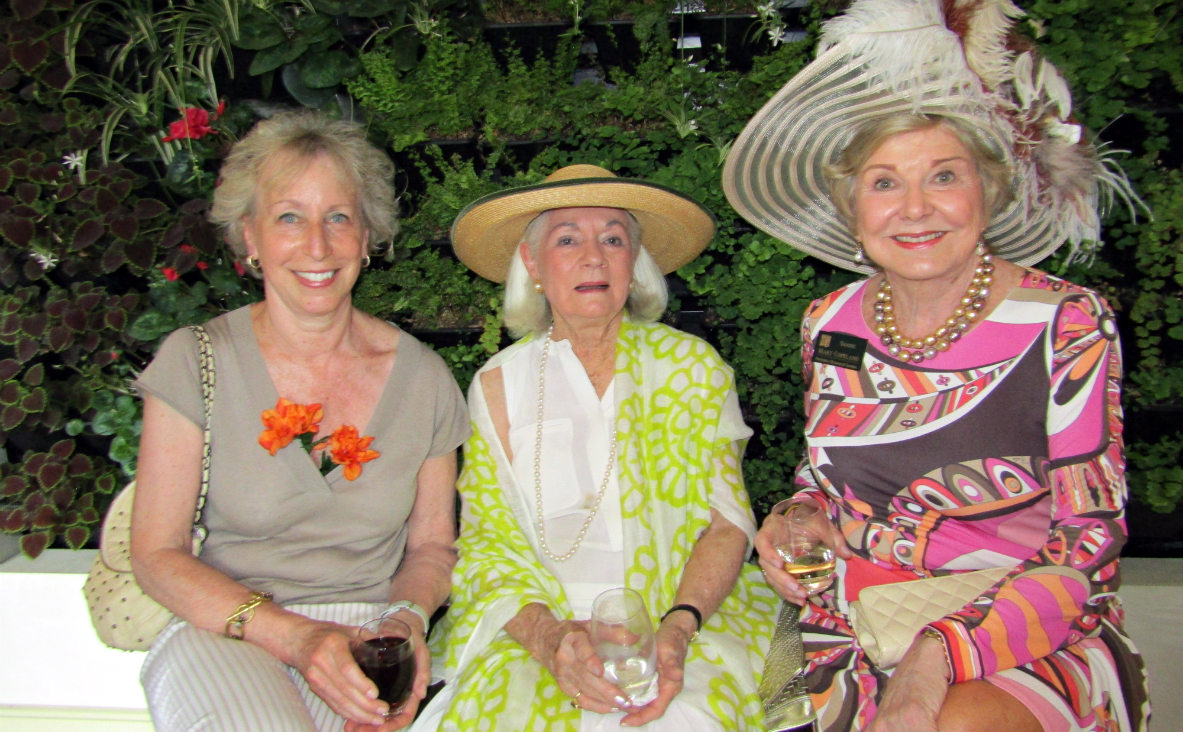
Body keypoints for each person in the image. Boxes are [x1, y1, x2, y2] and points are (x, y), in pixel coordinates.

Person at [722, 1, 1150, 731]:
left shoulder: (1066, 321)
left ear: (988, 190)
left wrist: (935, 657)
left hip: (1022, 623)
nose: (914, 208)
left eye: (943, 175)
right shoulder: (828, 321)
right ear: (851, 205)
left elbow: (1088, 540)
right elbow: (823, 480)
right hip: (852, 614)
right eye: (884, 181)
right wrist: (795, 515)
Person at [131, 111, 470, 732]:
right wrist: (295, 636)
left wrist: (405, 622)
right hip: (230, 630)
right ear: (249, 236)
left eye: (338, 217)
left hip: (369, 643)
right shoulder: (196, 360)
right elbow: (155, 552)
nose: (317, 245)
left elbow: (430, 547)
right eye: (289, 216)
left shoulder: (424, 379)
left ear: (367, 236)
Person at [410, 165, 777, 732]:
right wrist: (552, 638)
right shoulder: (495, 385)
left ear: (635, 263)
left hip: (685, 615)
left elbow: (727, 524)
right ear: (532, 265)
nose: (593, 257)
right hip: (539, 629)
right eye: (566, 239)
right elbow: (486, 547)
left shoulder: (692, 368)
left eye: (613, 238)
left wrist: (676, 628)